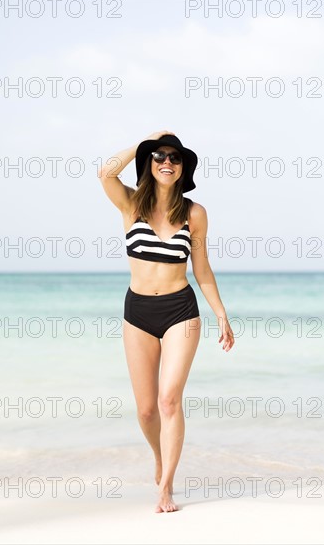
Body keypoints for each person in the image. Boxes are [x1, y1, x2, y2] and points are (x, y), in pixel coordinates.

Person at [98, 130, 235, 513]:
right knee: (145, 410)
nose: (166, 162)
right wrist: (143, 142)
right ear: (149, 163)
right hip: (137, 313)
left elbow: (202, 268)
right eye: (158, 156)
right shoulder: (131, 205)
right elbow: (105, 174)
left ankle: (167, 486)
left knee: (169, 400)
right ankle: (159, 458)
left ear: (183, 167)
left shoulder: (194, 213)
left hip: (180, 310)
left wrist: (221, 314)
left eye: (174, 158)